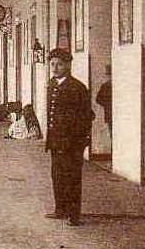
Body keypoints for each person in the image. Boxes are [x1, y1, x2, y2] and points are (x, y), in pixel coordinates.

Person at [45, 48, 94, 227]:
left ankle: (74, 214)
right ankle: (60, 209)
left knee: (72, 177)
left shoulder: (77, 87)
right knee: (57, 176)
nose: (55, 68)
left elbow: (87, 116)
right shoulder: (52, 84)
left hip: (72, 143)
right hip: (56, 141)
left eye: (59, 64)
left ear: (68, 65)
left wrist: (79, 140)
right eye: (52, 64)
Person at [95, 65, 112, 137]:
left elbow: (98, 99)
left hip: (110, 113)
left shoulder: (106, 85)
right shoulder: (105, 86)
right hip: (109, 113)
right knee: (112, 132)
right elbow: (98, 99)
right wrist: (108, 104)